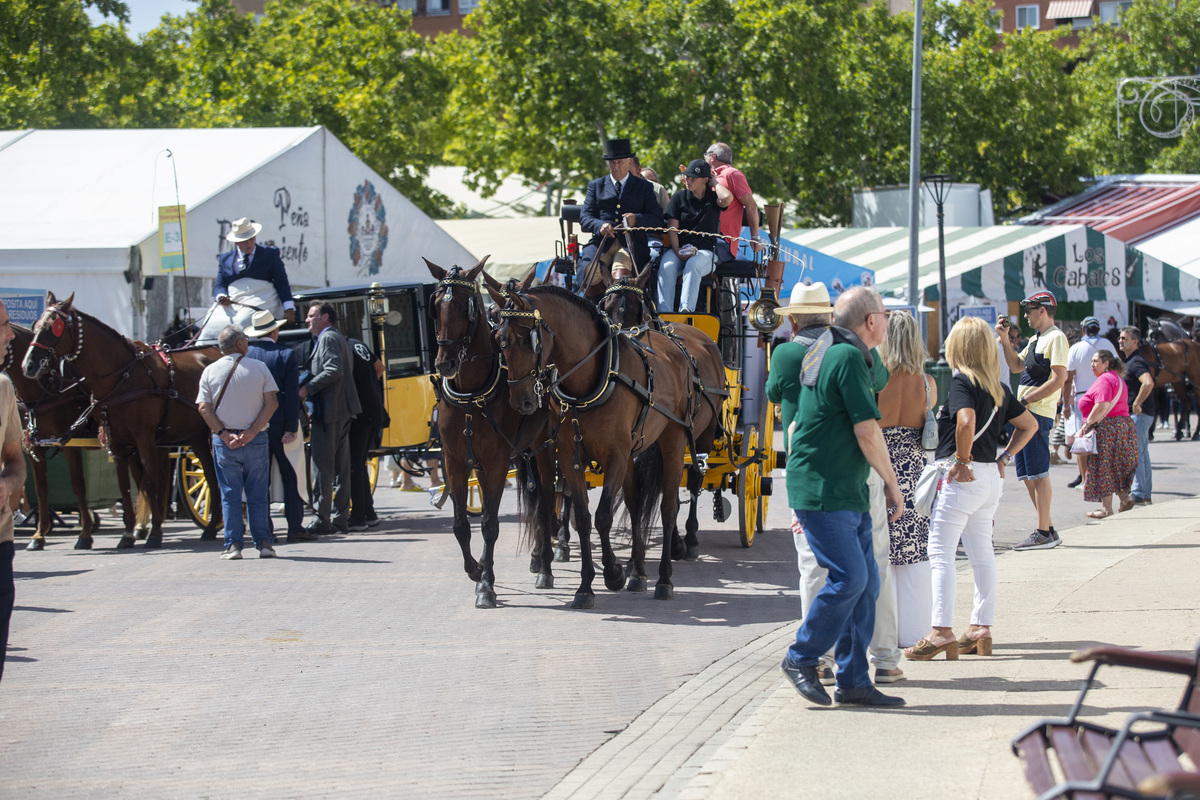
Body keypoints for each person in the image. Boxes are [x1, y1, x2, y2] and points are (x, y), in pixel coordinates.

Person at [778, 286, 906, 708]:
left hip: (840, 488)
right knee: (851, 578)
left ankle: (853, 680)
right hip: (823, 489)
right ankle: (801, 657)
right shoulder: (847, 356)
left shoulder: (837, 350)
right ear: (871, 321)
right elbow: (867, 430)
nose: (887, 321)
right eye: (885, 315)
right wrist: (892, 483)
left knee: (864, 582)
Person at [907, 317, 1037, 662]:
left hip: (961, 478)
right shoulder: (999, 388)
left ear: (958, 347)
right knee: (982, 553)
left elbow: (965, 420)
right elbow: (1030, 425)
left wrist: (962, 460)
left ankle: (940, 630)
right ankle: (981, 627)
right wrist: (1004, 457)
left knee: (941, 553)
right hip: (989, 478)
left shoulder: (962, 382)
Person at [876, 311, 938, 651]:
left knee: (880, 551)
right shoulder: (928, 383)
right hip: (915, 474)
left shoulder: (875, 381)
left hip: (880, 470)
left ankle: (882, 631)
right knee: (914, 553)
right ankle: (915, 631)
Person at [197, 325, 280, 560]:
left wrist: (223, 434)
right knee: (258, 493)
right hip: (255, 439)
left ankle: (233, 545)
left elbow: (204, 408)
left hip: (225, 442)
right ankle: (264, 543)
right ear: (241, 343)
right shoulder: (259, 367)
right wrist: (252, 432)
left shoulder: (210, 371)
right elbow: (271, 403)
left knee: (230, 494)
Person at [997, 290, 1068, 551]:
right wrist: (1005, 340)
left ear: (1043, 310)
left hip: (1037, 412)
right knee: (1027, 474)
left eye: (1029, 310)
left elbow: (1059, 379)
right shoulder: (1038, 338)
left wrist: (1026, 401)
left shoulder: (1056, 338)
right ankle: (1046, 528)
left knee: (1038, 472)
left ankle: (1043, 532)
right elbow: (1016, 366)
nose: (1025, 315)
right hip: (1028, 412)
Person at [243, 310, 310, 543]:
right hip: (281, 424)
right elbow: (291, 395)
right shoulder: (286, 355)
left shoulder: (247, 355)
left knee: (260, 480)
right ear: (274, 330)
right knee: (290, 475)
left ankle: (265, 529)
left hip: (254, 426)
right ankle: (295, 527)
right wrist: (291, 427)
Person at [300, 302, 362, 535]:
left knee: (322, 468)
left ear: (325, 317)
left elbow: (333, 369)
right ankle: (339, 518)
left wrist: (307, 388)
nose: (307, 320)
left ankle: (322, 518)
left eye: (311, 315)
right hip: (341, 410)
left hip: (329, 412)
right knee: (340, 469)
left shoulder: (327, 338)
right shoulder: (338, 338)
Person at [578, 139, 665, 282]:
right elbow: (585, 218)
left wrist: (636, 219)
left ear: (630, 162)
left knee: (620, 276)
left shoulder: (644, 187)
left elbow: (657, 219)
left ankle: (619, 303)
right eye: (612, 162)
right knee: (590, 274)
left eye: (619, 162)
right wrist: (600, 226)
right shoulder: (596, 186)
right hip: (602, 243)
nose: (615, 166)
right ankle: (597, 304)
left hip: (631, 244)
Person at [655, 159, 733, 313]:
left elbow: (727, 199)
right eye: (687, 177)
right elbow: (672, 228)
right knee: (666, 266)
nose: (688, 180)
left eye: (693, 178)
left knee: (693, 265)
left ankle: (686, 311)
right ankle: (664, 314)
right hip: (679, 248)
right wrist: (677, 250)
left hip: (706, 251)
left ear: (705, 179)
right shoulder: (679, 197)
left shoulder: (712, 198)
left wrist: (715, 182)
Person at [0, 300, 27, 684]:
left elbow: (15, 461)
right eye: (5, 325)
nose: (10, 334)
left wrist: (8, 484)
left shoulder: (4, 388)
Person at [1078, 350, 1137, 518]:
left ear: (1106, 364)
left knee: (1103, 466)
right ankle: (1124, 498)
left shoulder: (1104, 380)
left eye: (1096, 361)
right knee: (1115, 466)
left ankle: (1106, 508)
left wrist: (1086, 425)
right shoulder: (1118, 379)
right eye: (1091, 361)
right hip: (1123, 426)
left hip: (1108, 428)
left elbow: (1102, 405)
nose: (1092, 364)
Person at [1062, 316, 1118, 489]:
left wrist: (1065, 404)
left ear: (1083, 330)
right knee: (1104, 440)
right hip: (1105, 396)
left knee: (1082, 439)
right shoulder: (1108, 345)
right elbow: (1117, 369)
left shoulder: (1076, 348)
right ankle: (1104, 478)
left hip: (1083, 399)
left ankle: (1085, 479)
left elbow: (1067, 379)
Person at [215, 218, 296, 325]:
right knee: (214, 323)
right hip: (233, 303)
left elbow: (282, 282)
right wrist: (221, 296)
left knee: (243, 320)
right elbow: (220, 285)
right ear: (236, 242)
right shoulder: (225, 259)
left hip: (262, 300)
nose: (249, 243)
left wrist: (289, 308)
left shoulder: (269, 254)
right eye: (244, 240)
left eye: (251, 238)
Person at [347, 337, 385, 532]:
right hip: (374, 409)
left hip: (360, 413)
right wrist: (368, 387)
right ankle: (368, 514)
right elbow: (380, 367)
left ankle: (359, 516)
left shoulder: (344, 347)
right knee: (359, 463)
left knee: (355, 464)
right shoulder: (356, 344)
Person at [703, 142, 763, 262]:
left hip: (721, 239)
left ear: (712, 157)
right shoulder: (703, 177)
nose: (703, 158)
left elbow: (751, 206)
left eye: (705, 155)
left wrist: (755, 237)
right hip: (701, 235)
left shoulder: (732, 174)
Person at [1118, 326, 1155, 506]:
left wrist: (1137, 403)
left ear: (1135, 341)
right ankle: (1145, 492)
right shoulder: (1132, 360)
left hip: (1139, 415)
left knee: (1137, 454)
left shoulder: (1136, 361)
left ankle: (1140, 492)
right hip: (1142, 414)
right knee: (1142, 453)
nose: (1120, 341)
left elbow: (1148, 383)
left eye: (1124, 338)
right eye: (1120, 338)